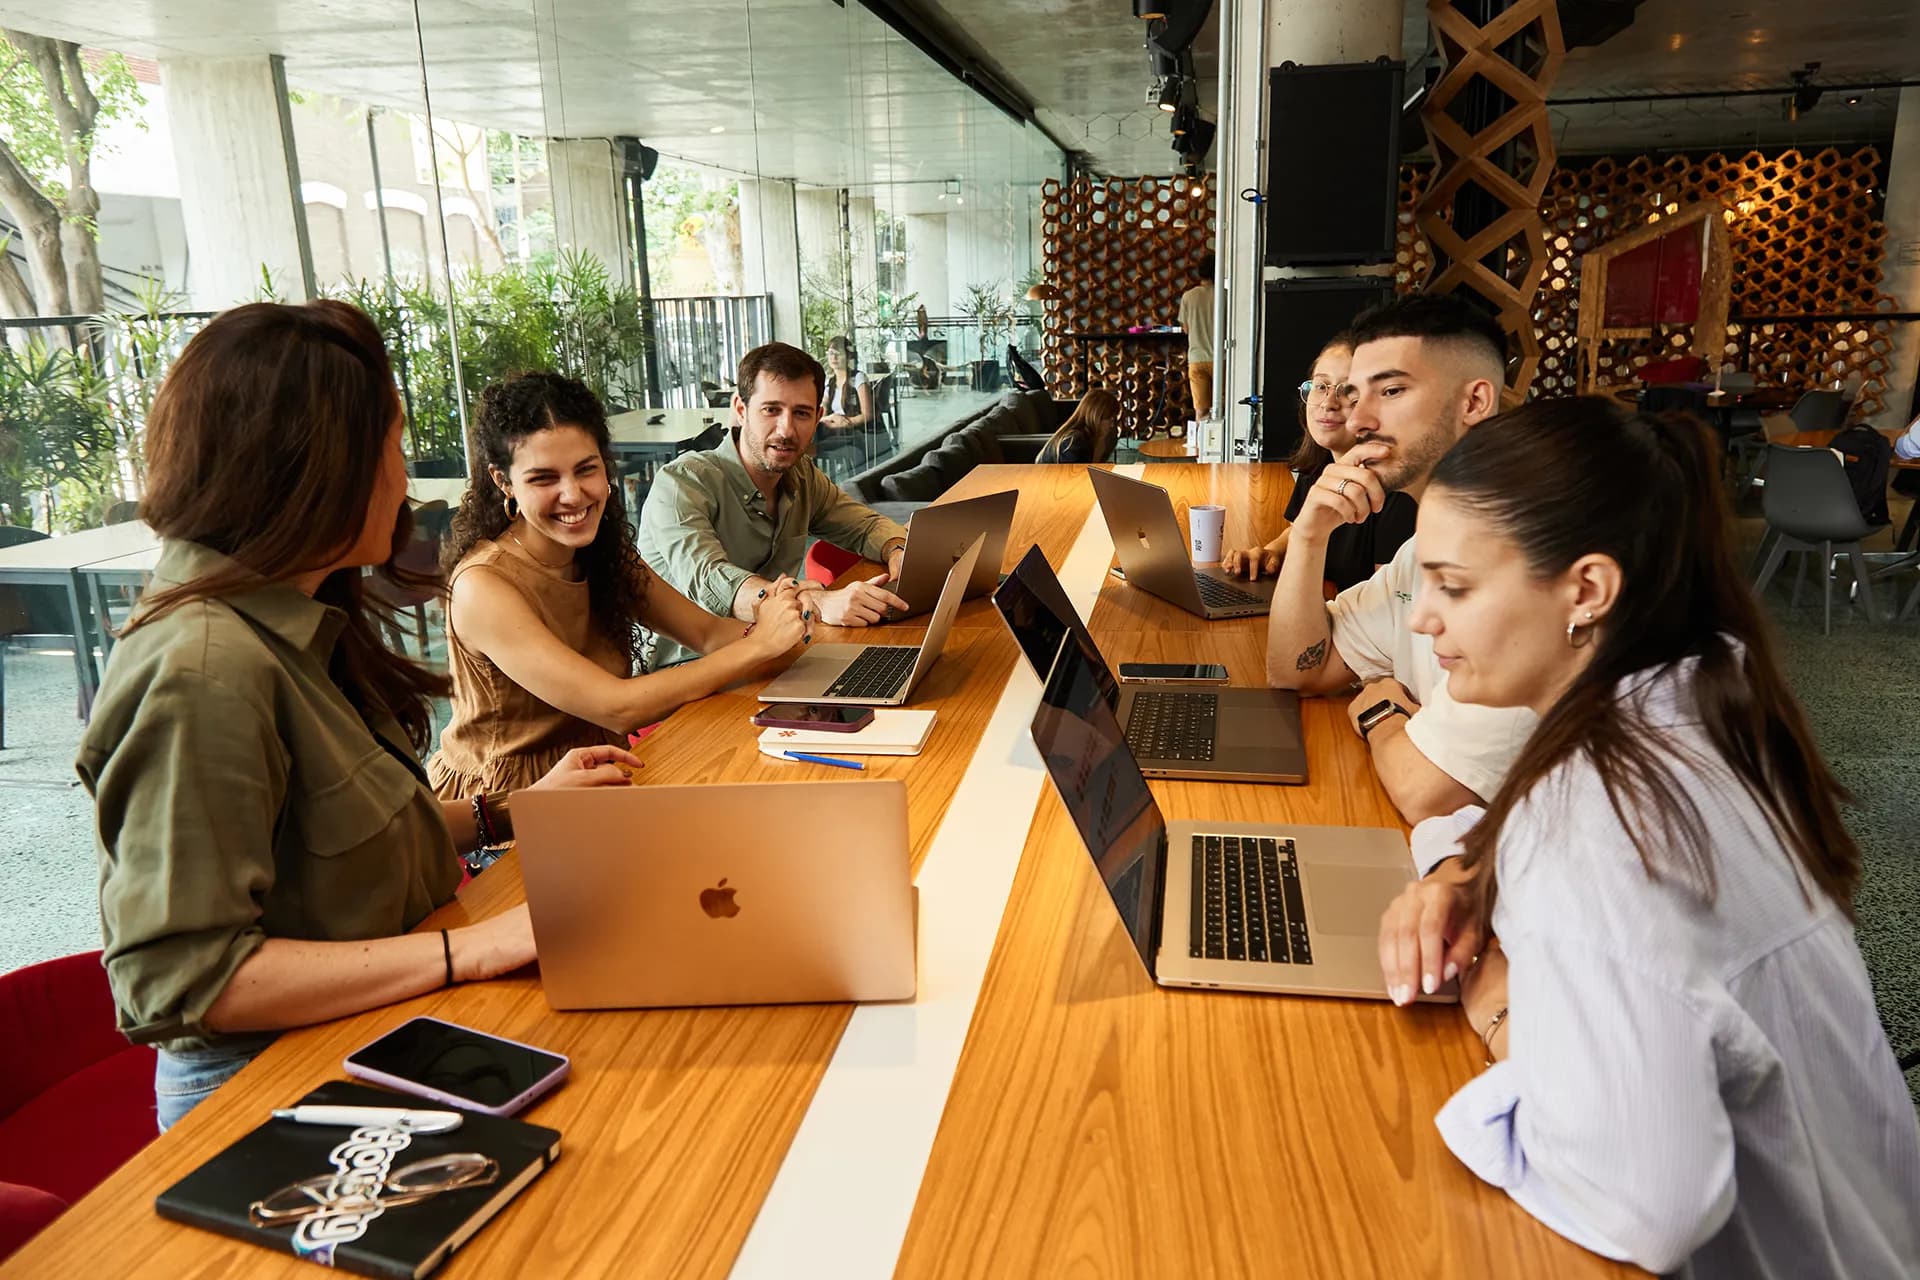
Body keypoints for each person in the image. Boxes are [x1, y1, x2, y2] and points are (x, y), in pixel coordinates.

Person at [1375, 397, 1920, 1277]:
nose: (1422, 619)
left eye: (1456, 586)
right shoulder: (1700, 705)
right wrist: (1463, 872)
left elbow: (1648, 1206)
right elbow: (1511, 833)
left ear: (1586, 590)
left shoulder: (1601, 823)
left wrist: (1495, 1004)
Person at [75, 302, 642, 1130]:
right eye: (395, 446)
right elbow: (184, 979)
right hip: (265, 1081)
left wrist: (507, 810)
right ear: (321, 465)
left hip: (372, 1025)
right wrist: (471, 948)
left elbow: (335, 842)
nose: (406, 478)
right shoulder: (202, 669)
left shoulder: (295, 613)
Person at [427, 372, 811, 799]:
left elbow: (707, 633)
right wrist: (758, 645)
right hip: (509, 807)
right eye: (543, 478)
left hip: (608, 777)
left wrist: (796, 630)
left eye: (586, 469)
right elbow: (617, 706)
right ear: (504, 482)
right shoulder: (483, 584)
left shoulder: (599, 552)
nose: (573, 495)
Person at [1263, 294, 1533, 826]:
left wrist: (1382, 713)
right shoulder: (1423, 551)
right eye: (1353, 395)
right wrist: (1308, 539)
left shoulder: (1523, 554)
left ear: (1475, 402)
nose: (1358, 419)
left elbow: (1428, 792)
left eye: (1391, 391)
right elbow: (1299, 670)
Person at [639, 342, 911, 667]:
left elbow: (865, 526)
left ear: (818, 417)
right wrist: (813, 602)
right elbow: (710, 579)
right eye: (771, 410)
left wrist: (897, 550)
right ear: (740, 409)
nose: (786, 430)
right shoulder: (682, 483)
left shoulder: (801, 476)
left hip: (773, 653)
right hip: (689, 669)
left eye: (801, 413)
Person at [1219, 331, 1417, 591]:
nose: (1328, 403)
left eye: (1348, 391)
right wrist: (1270, 553)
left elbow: (1389, 606)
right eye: (1321, 386)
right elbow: (1299, 531)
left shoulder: (1397, 494)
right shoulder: (1319, 468)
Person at [1036, 388, 1121, 464]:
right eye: (1109, 420)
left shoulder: (1099, 437)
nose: (1112, 425)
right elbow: (1075, 475)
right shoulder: (1074, 441)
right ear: (1096, 417)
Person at [1178, 253, 1215, 420]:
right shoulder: (1225, 295)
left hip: (1196, 358)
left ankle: (1201, 444)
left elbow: (1186, 329)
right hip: (1220, 359)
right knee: (1223, 406)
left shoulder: (1188, 297)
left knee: (1201, 411)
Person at [820, 335, 872, 432]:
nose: (834, 357)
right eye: (831, 353)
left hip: (855, 432)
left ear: (848, 356)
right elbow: (823, 410)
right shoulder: (829, 383)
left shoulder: (858, 378)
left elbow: (867, 415)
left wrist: (845, 422)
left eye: (838, 353)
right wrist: (828, 420)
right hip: (834, 431)